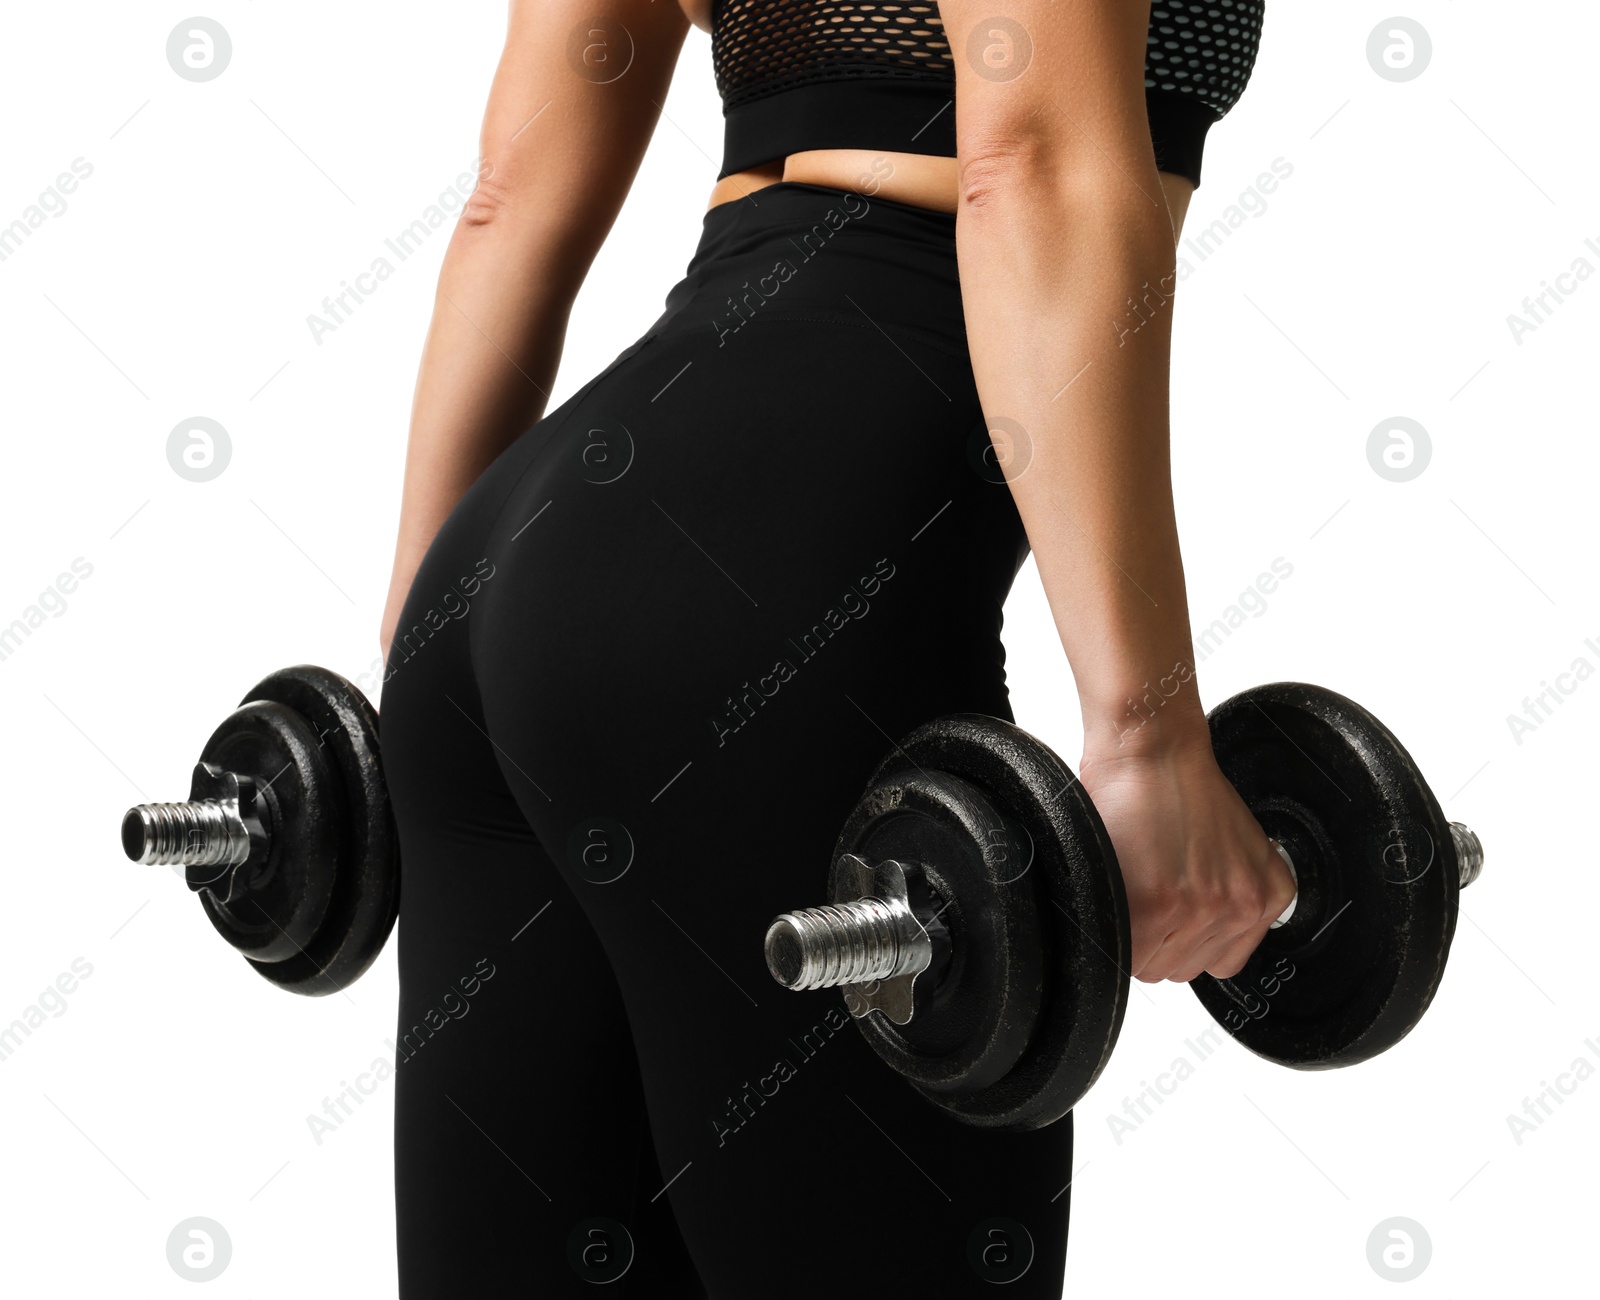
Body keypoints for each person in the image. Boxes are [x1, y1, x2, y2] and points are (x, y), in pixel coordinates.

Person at [376, 1, 1291, 1293]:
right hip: (767, 583)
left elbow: (508, 211)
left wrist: (416, 685)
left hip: (512, 556)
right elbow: (1029, 160)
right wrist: (1147, 735)